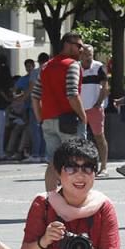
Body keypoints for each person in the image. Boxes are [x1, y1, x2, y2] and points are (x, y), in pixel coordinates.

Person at [33, 32, 88, 195]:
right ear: (68, 45)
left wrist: (40, 118)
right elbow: (72, 93)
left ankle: (51, 200)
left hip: (48, 120)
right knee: (76, 161)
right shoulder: (72, 65)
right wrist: (83, 116)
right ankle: (73, 198)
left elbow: (35, 96)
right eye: (79, 46)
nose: (81, 50)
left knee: (53, 163)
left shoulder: (46, 66)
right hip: (69, 121)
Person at [77, 46, 108, 174]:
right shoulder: (76, 67)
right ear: (80, 55)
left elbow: (105, 87)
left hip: (94, 108)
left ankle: (104, 167)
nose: (87, 57)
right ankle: (81, 166)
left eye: (90, 54)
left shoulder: (99, 67)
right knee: (78, 140)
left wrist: (99, 103)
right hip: (79, 109)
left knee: (99, 137)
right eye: (85, 54)